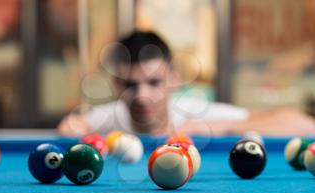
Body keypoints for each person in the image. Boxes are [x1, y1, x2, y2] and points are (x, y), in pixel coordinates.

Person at [57, 31, 315, 136]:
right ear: (117, 85)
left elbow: (306, 124)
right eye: (130, 85)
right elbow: (68, 129)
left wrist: (220, 127)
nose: (142, 95)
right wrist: (72, 128)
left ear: (174, 79)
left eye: (154, 82)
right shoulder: (108, 117)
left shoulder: (194, 115)